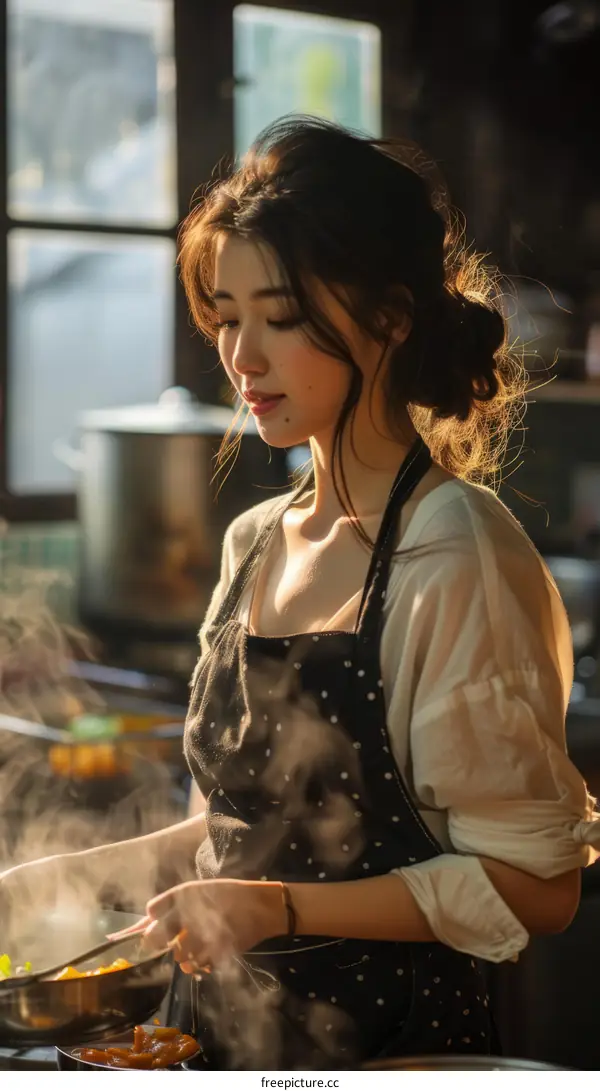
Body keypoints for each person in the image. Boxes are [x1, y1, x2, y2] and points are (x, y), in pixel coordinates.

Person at [3, 116, 600, 1069]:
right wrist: (46, 880)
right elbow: (239, 834)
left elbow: (535, 885)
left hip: (390, 1057)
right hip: (212, 1040)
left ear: (390, 316)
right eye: (225, 316)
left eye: (279, 316)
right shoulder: (255, 540)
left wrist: (277, 908)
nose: (242, 355)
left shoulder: (453, 554)